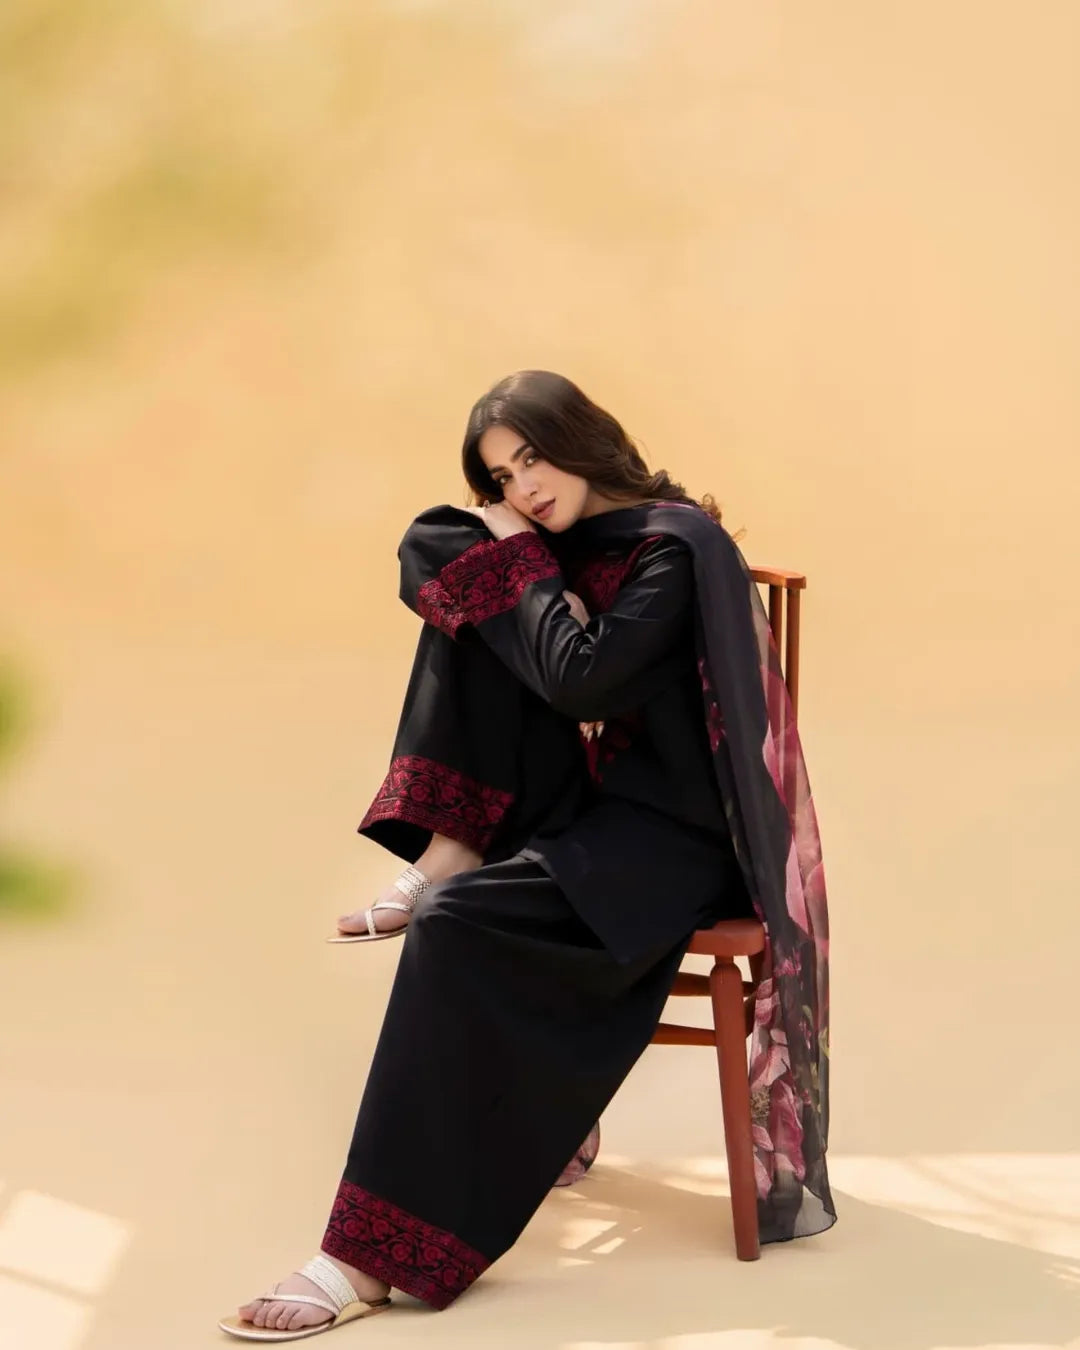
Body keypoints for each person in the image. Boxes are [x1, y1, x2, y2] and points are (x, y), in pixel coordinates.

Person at [219, 370, 834, 1341]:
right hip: (587, 810)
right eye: (504, 477)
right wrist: (511, 553)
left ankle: (365, 1257)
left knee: (454, 926)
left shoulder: (674, 547)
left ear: (583, 438)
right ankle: (452, 844)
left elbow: (583, 682)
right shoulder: (573, 546)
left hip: (681, 839)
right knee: (462, 559)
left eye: (534, 459)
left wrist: (523, 563)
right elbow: (436, 553)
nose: (524, 489)